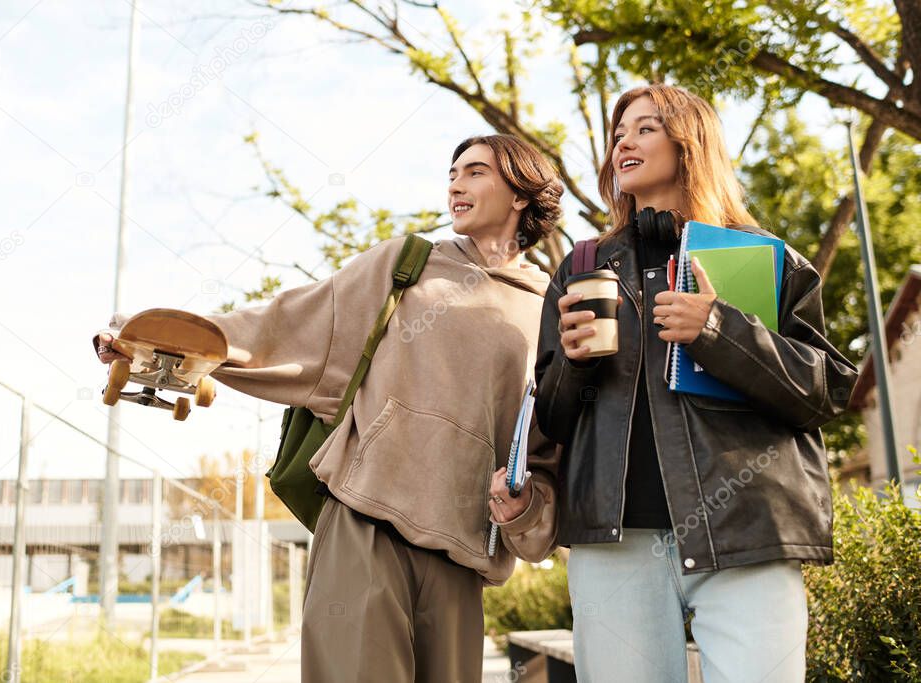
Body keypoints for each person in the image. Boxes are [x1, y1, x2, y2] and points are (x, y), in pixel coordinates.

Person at [94, 134, 563, 682]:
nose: (456, 184)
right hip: (366, 520)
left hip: (461, 549)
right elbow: (286, 322)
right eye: (452, 173)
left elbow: (541, 451)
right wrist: (155, 340)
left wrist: (525, 509)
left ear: (521, 195)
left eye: (476, 172)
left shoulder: (547, 308)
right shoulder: (408, 265)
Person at [534, 84, 859, 682]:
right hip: (614, 544)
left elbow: (826, 390)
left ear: (690, 142)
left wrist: (717, 330)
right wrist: (573, 365)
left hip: (747, 535)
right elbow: (551, 421)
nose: (623, 143)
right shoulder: (581, 267)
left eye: (645, 128)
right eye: (618, 134)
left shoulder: (762, 257)